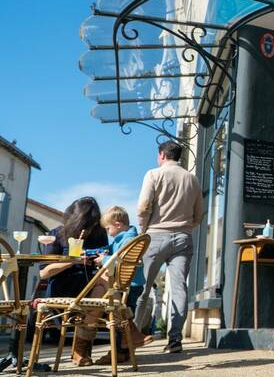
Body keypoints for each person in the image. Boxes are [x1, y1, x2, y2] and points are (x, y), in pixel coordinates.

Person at [134, 140, 204, 354]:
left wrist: (142, 230)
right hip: (183, 236)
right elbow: (199, 214)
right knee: (179, 288)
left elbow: (144, 205)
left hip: (155, 235)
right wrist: (185, 226)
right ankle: (175, 340)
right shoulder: (192, 179)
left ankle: (134, 334)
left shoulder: (153, 174)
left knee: (145, 288)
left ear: (162, 155)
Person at [39, 196, 108, 366]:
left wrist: (102, 259)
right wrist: (73, 260)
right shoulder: (57, 234)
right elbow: (44, 273)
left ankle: (81, 348)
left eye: (92, 225)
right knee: (101, 288)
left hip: (90, 286)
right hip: (64, 287)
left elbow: (104, 262)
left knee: (104, 281)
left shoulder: (99, 234)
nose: (89, 229)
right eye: (86, 225)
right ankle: (81, 350)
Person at [87, 206, 151, 365]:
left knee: (117, 320)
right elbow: (109, 250)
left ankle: (119, 352)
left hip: (128, 285)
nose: (107, 232)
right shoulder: (125, 238)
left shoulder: (128, 240)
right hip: (132, 284)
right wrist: (89, 252)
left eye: (108, 228)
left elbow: (118, 262)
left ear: (117, 224)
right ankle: (123, 351)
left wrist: (102, 260)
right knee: (122, 317)